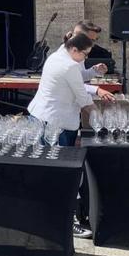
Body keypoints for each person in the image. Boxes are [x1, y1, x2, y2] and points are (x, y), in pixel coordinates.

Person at [27, 32, 100, 239]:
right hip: (55, 123)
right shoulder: (68, 65)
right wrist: (103, 119)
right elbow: (83, 98)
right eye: (85, 54)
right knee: (59, 171)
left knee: (49, 169)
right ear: (74, 49)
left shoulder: (59, 56)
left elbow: (78, 78)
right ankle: (64, 219)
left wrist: (92, 72)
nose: (85, 58)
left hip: (46, 117)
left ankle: (49, 214)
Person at [59, 21, 115, 102]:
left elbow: (79, 76)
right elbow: (72, 84)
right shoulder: (65, 55)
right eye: (91, 40)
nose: (92, 45)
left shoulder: (78, 52)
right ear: (79, 37)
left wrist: (95, 70)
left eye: (95, 40)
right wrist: (97, 90)